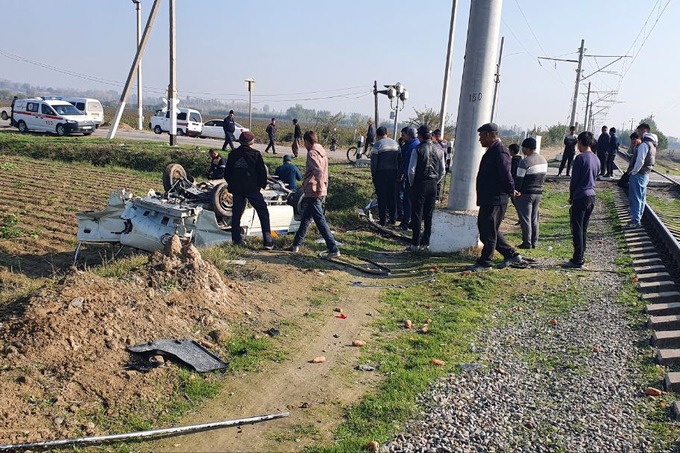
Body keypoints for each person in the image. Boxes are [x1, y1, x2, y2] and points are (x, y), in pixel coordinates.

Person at [467, 122, 523, 271]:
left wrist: (511, 190)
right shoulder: (492, 150)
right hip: (488, 197)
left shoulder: (500, 152)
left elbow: (506, 174)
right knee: (487, 229)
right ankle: (510, 254)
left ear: (489, 135)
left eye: (481, 136)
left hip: (496, 198)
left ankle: (485, 262)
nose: (479, 140)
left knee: (488, 231)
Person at [290, 131, 340, 258]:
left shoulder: (312, 152)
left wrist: (318, 188)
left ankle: (333, 248)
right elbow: (324, 171)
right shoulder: (322, 150)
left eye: (304, 142)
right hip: (321, 189)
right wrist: (323, 187)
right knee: (306, 219)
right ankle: (296, 245)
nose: (304, 145)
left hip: (313, 191)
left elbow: (318, 171)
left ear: (307, 141)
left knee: (319, 220)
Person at [224, 131, 274, 250]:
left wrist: (233, 184)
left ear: (240, 141)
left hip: (237, 190)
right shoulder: (255, 154)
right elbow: (262, 172)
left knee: (236, 215)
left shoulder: (233, 154)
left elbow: (227, 174)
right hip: (252, 189)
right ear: (251, 142)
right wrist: (261, 185)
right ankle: (268, 241)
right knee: (263, 213)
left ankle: (236, 240)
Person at [562, 131, 600, 269]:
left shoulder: (580, 158)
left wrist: (571, 196)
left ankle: (577, 259)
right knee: (583, 228)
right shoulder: (596, 158)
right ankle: (581, 255)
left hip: (580, 196)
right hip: (592, 196)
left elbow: (574, 181)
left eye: (577, 142)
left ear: (581, 142)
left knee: (576, 228)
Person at [406, 125, 445, 251]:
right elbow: (443, 170)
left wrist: (412, 184)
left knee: (417, 213)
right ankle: (426, 242)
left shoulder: (417, 149)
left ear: (420, 136)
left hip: (420, 183)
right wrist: (435, 181)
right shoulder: (439, 150)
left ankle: (415, 243)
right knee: (429, 214)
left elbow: (411, 171)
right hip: (433, 184)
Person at [513, 137, 548, 249]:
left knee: (525, 219)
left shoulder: (525, 162)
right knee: (534, 218)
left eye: (523, 148)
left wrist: (516, 191)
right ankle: (534, 242)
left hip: (526, 194)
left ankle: (526, 242)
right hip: (539, 193)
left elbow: (519, 179)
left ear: (527, 148)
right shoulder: (543, 160)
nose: (522, 150)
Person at [626, 123, 657, 228]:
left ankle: (635, 221)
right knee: (641, 198)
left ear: (645, 131)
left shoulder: (644, 145)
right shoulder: (652, 144)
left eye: (639, 132)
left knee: (635, 198)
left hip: (638, 175)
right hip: (645, 174)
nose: (638, 134)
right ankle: (638, 218)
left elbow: (640, 161)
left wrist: (633, 172)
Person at [371, 126, 400, 226]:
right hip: (394, 172)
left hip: (381, 173)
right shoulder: (395, 144)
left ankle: (382, 220)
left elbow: (374, 162)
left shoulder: (377, 145)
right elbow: (400, 158)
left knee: (382, 197)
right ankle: (393, 219)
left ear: (378, 135)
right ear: (386, 133)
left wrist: (373, 174)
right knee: (392, 196)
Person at [397, 127, 419, 230]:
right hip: (417, 178)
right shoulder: (415, 144)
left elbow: (407, 164)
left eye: (404, 135)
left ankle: (405, 222)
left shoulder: (412, 147)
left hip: (410, 177)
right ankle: (410, 221)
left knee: (407, 200)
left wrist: (404, 176)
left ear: (409, 135)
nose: (402, 137)